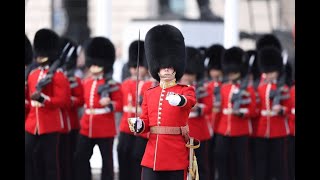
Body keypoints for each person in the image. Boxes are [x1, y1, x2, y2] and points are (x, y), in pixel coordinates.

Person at [128, 24, 197, 180]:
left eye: (169, 66)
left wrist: (180, 100)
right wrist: (140, 125)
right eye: (162, 66)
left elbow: (190, 101)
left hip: (175, 154)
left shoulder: (185, 90)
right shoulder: (150, 93)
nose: (166, 69)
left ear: (175, 69)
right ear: (156, 69)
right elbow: (146, 119)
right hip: (153, 155)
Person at [73, 37, 123, 180]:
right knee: (81, 157)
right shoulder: (86, 82)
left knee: (107, 162)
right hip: (86, 126)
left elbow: (120, 104)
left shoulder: (112, 84)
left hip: (104, 128)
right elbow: (81, 100)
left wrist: (109, 103)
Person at [25, 28, 71, 180]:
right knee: (29, 157)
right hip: (32, 124)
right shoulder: (32, 75)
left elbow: (64, 101)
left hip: (50, 124)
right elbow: (29, 101)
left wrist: (43, 99)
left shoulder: (58, 76)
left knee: (50, 162)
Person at [214, 47, 256, 180]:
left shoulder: (248, 89)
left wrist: (242, 113)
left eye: (234, 72)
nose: (231, 74)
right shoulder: (223, 88)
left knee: (241, 164)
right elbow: (218, 110)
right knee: (222, 162)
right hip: (223, 130)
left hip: (240, 131)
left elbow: (253, 110)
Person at [254, 46, 290, 180]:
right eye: (267, 72)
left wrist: (281, 110)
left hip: (278, 130)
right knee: (262, 164)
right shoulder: (259, 87)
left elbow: (289, 108)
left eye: (272, 71)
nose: (269, 74)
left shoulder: (283, 88)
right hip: (261, 131)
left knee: (279, 164)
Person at [117, 40, 149, 180]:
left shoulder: (149, 85)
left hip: (141, 129)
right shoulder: (125, 84)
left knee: (137, 158)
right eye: (133, 66)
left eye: (141, 66)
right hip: (125, 127)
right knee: (122, 154)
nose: (136, 69)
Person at [179, 46, 212, 180]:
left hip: (199, 133)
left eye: (189, 73)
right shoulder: (176, 88)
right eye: (185, 73)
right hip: (181, 133)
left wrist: (197, 108)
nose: (187, 77)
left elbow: (208, 107)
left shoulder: (202, 88)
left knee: (200, 167)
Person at [59, 37, 85, 180]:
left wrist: (68, 101)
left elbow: (80, 100)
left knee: (70, 157)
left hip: (72, 123)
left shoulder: (75, 79)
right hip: (58, 124)